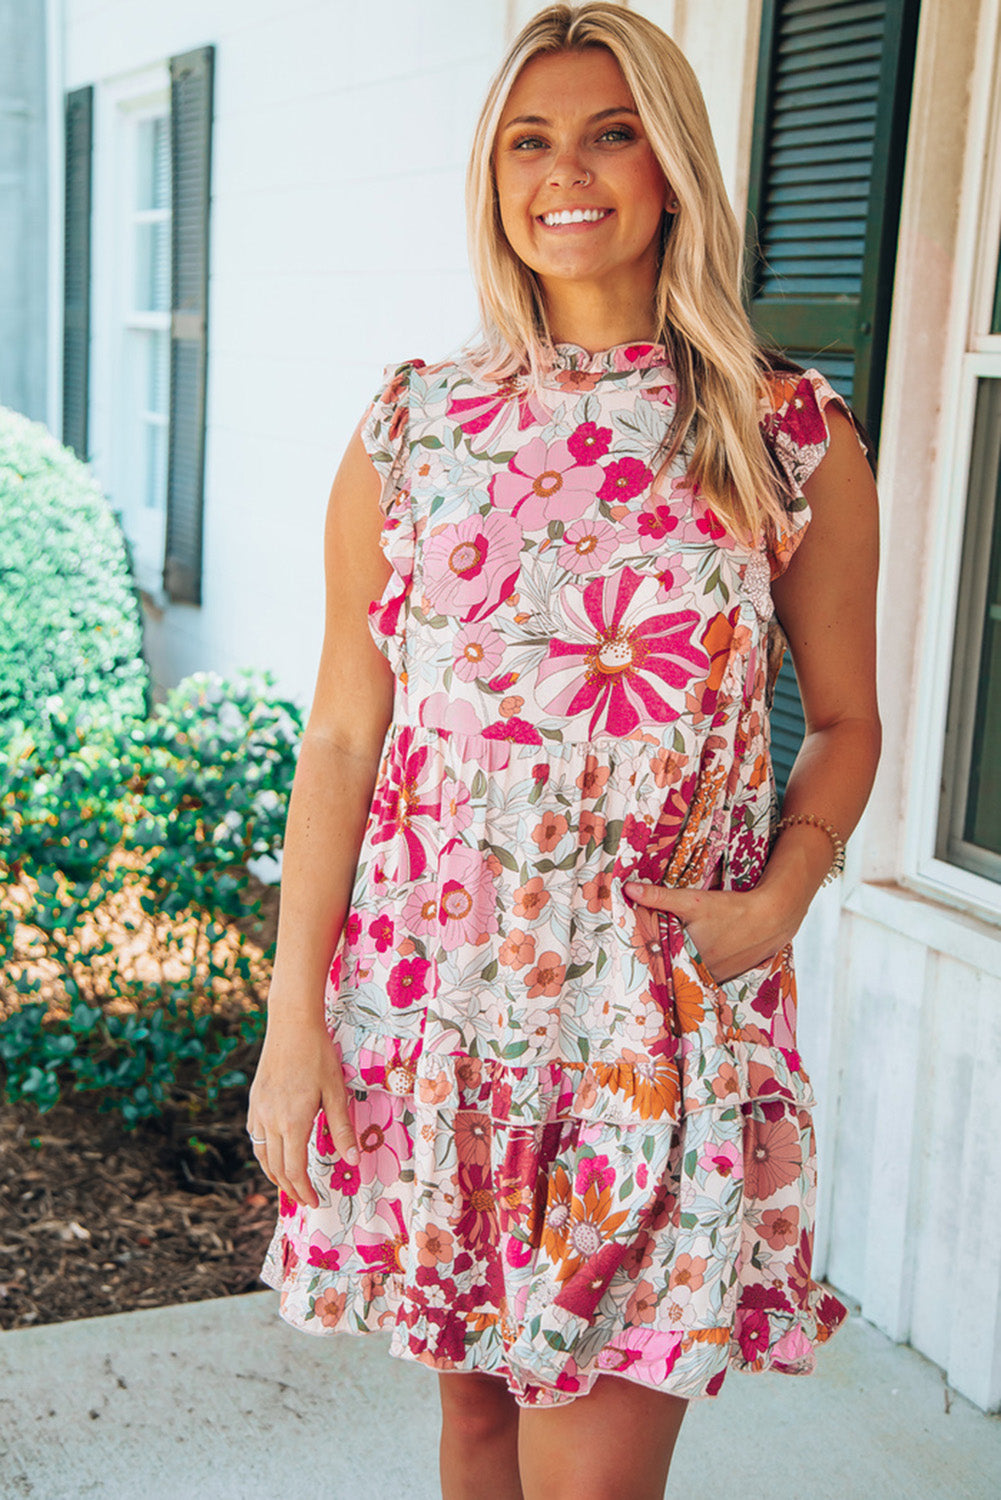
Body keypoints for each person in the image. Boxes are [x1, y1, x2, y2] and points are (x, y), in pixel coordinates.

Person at [248, 4, 880, 1496]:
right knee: (472, 1426)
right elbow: (345, 734)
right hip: (431, 1010)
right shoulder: (414, 424)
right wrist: (293, 1018)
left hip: (646, 1025)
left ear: (670, 166)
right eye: (528, 141)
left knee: (587, 1469)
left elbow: (846, 723)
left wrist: (781, 898)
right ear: (493, 178)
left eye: (609, 131)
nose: (565, 172)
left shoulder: (781, 432)